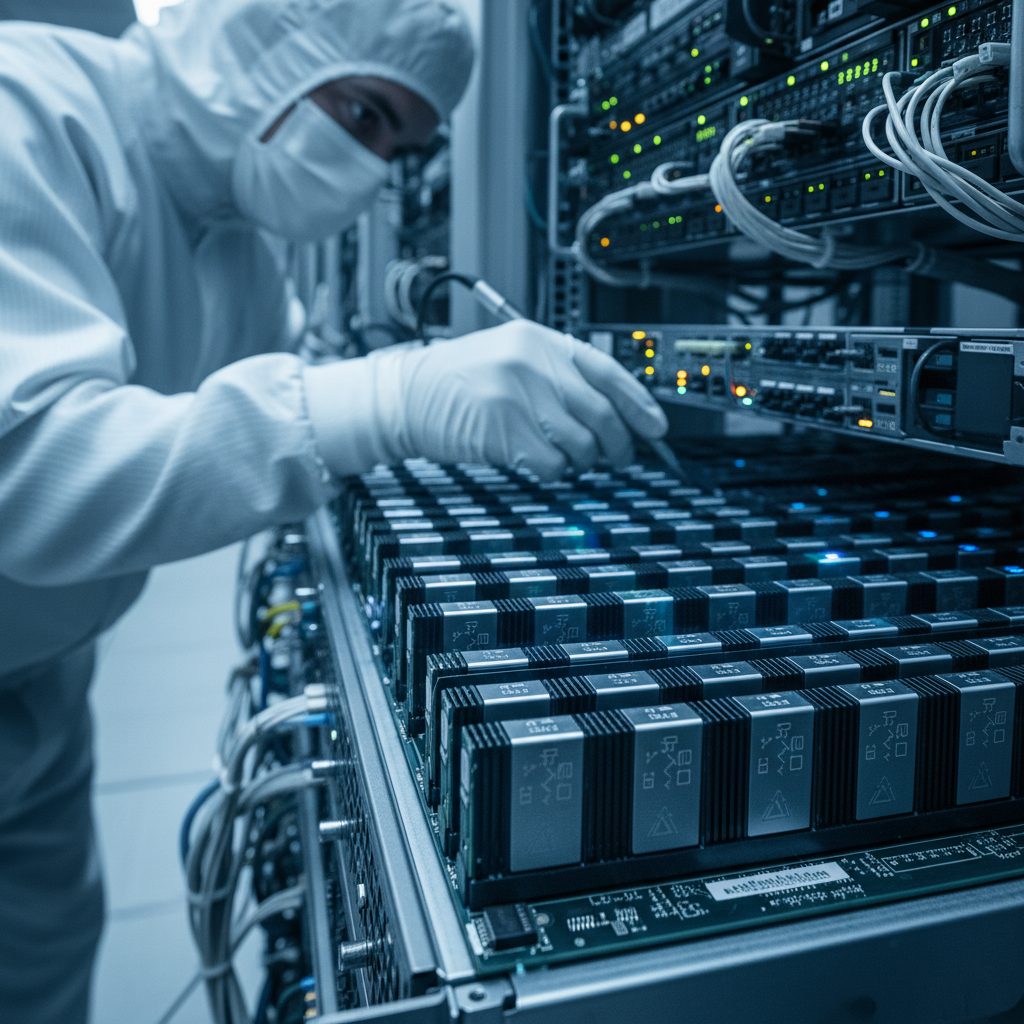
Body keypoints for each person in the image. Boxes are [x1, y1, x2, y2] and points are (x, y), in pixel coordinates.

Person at [0, 0, 669, 1020]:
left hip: (44, 672)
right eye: (364, 115)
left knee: (44, 957)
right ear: (262, 38)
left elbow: (289, 382)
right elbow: (29, 468)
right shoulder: (28, 107)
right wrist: (390, 395)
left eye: (399, 147)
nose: (371, 171)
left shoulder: (234, 247)